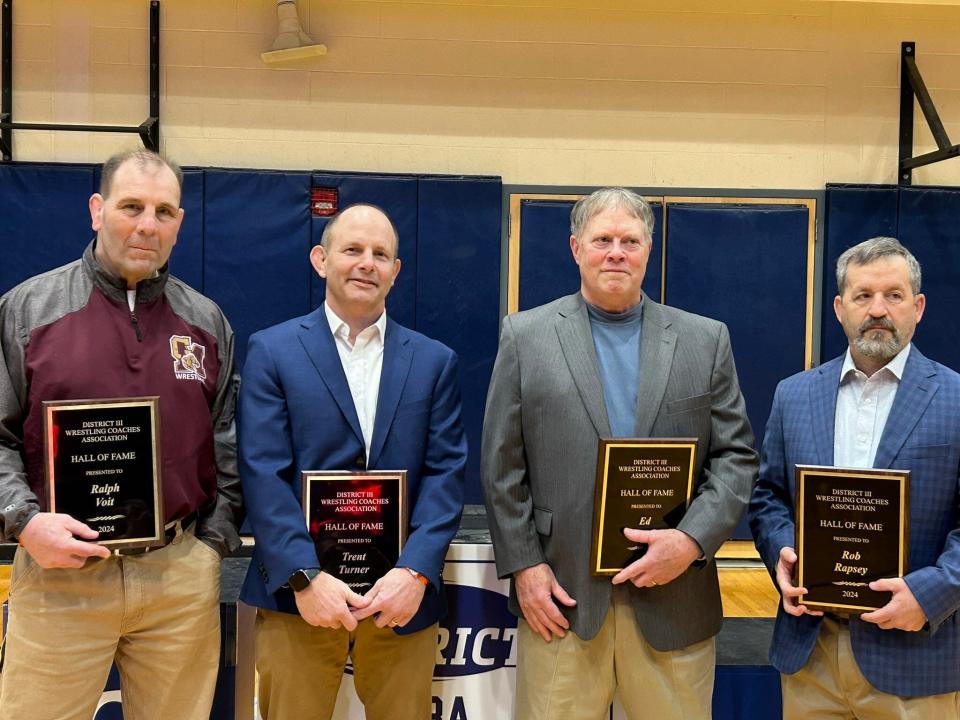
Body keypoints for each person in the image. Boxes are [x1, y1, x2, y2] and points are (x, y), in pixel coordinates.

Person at [481, 187, 757, 720]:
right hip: (561, 599)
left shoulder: (705, 340)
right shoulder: (526, 336)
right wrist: (524, 567)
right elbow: (501, 466)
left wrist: (692, 539)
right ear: (575, 248)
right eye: (602, 239)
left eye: (629, 241)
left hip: (673, 602)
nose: (615, 252)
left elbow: (736, 458)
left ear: (648, 251)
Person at [0, 149, 242, 719]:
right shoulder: (28, 311)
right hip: (62, 579)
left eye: (164, 211)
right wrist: (26, 522)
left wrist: (210, 548)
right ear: (97, 209)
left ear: (179, 223)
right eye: (131, 206)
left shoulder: (206, 323)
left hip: (177, 577)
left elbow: (228, 443)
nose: (146, 225)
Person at [239, 203, 467, 719]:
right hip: (301, 597)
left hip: (400, 599)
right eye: (353, 250)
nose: (367, 263)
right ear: (321, 260)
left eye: (380, 254)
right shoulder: (273, 351)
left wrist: (414, 572)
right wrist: (303, 576)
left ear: (396, 271)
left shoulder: (434, 361)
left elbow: (446, 474)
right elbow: (262, 472)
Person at [748, 236, 960, 718]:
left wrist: (928, 597)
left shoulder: (956, 398)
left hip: (915, 657)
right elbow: (769, 496)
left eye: (894, 295)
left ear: (919, 307)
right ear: (840, 308)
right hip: (811, 654)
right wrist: (781, 553)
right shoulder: (795, 395)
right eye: (864, 296)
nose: (878, 309)